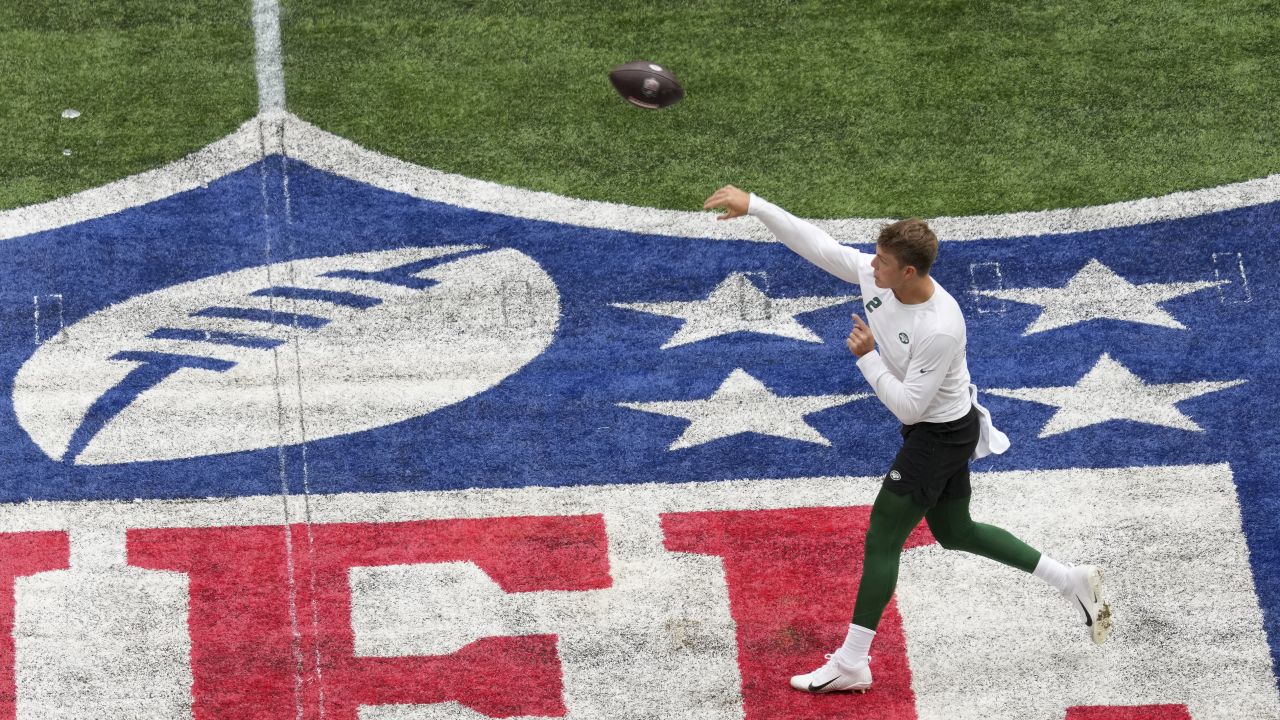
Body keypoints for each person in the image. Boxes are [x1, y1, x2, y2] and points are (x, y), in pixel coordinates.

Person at [702, 185, 1112, 694]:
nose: (871, 267)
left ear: (909, 272)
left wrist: (868, 357)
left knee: (881, 537)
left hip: (939, 435)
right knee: (955, 531)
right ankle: (1069, 579)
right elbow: (816, 244)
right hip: (942, 430)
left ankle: (852, 663)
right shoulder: (880, 280)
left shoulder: (940, 327)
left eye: (882, 262)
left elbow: (909, 406)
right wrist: (756, 206)